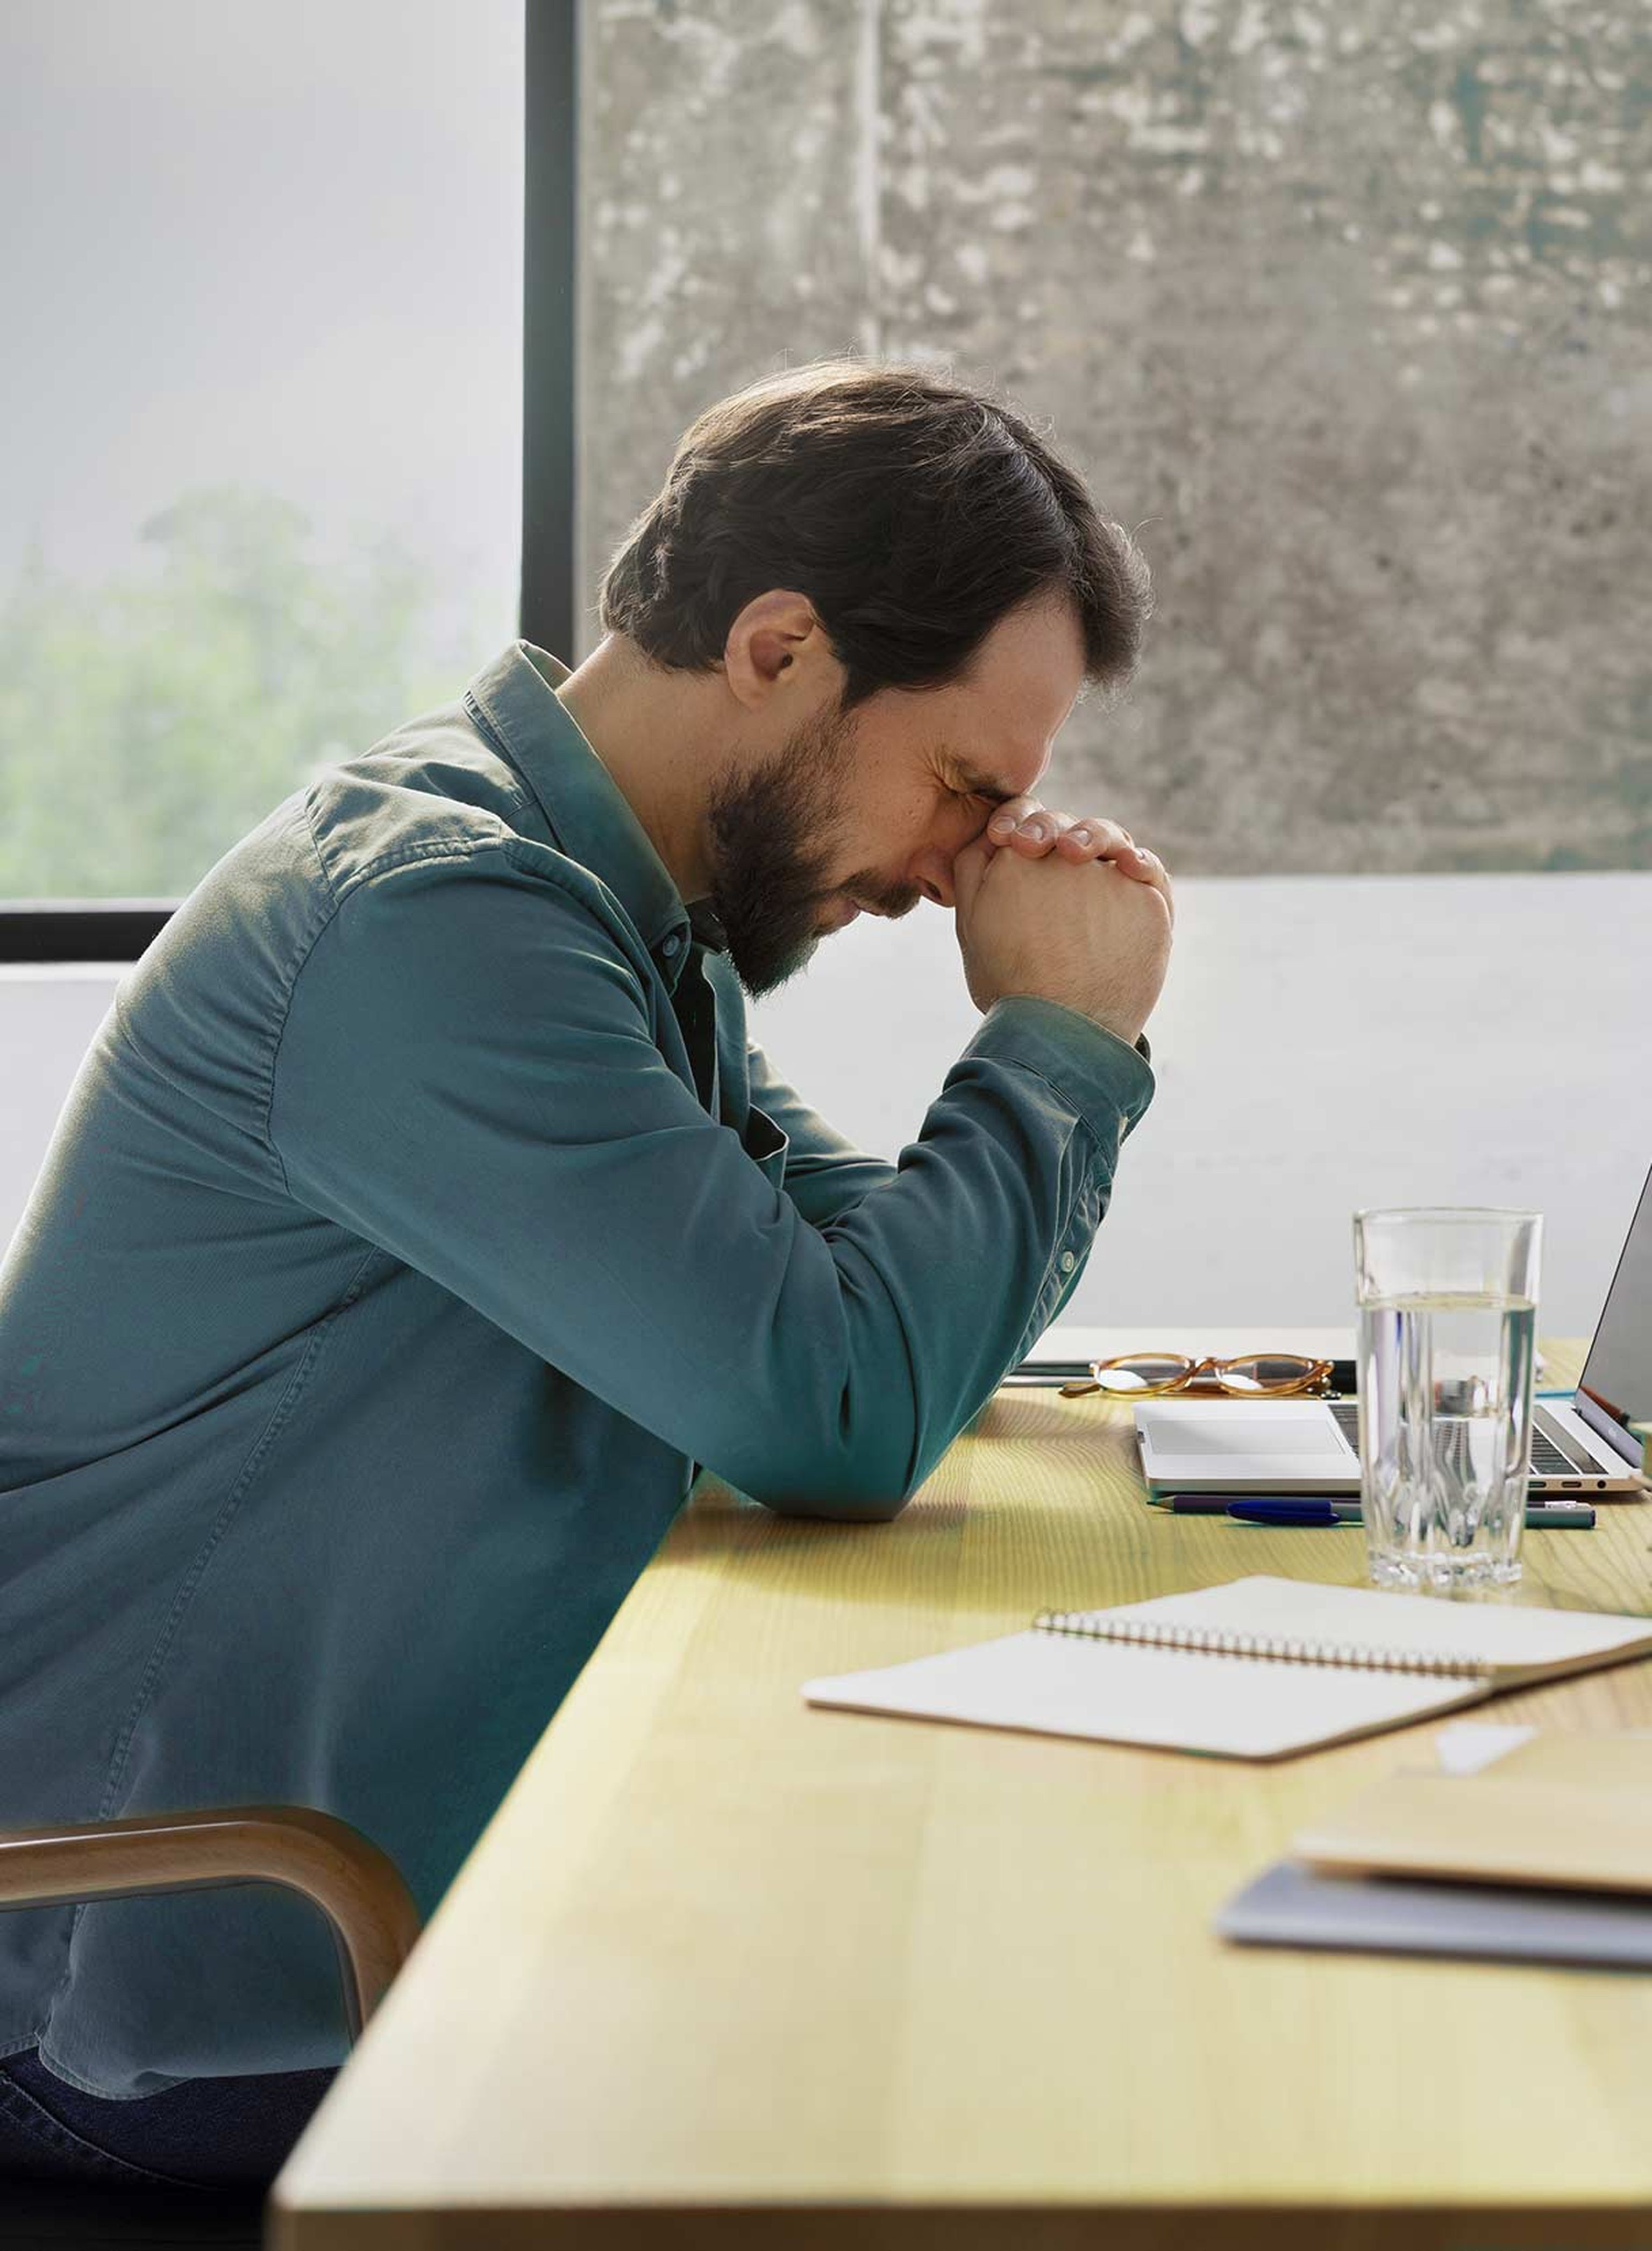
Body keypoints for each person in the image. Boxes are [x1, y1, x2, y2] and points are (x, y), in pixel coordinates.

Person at [0, 357, 1172, 2192]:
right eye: (963, 783)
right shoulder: (436, 921)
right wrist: (1053, 1042)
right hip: (145, 1971)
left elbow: (868, 1311)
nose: (965, 869)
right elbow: (839, 1403)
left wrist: (1043, 1080)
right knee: (962, 2100)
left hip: (315, 1912)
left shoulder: (620, 919)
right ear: (779, 645)